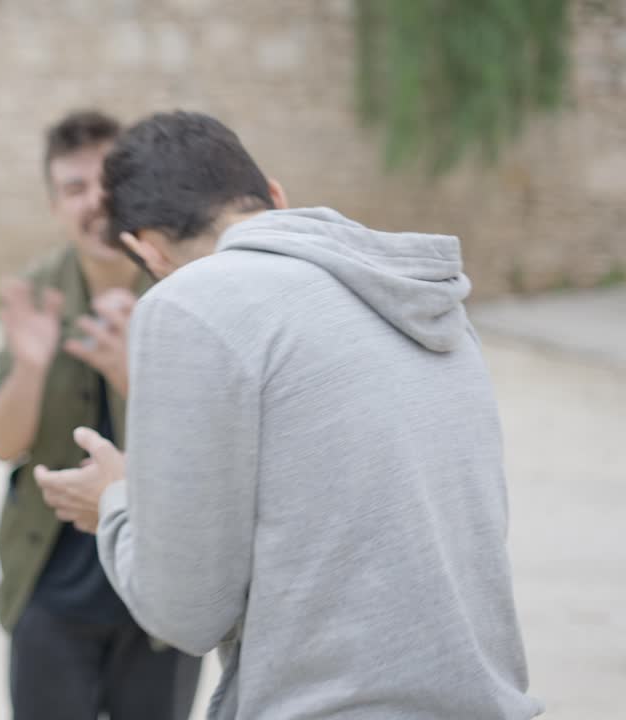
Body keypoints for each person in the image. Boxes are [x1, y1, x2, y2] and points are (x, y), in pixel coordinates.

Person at [35, 111, 543, 718]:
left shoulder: (188, 302)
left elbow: (186, 614)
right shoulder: (428, 300)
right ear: (275, 196)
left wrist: (116, 503)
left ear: (145, 248)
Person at [0, 110, 202, 720]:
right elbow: (2, 444)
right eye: (74, 188)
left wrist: (131, 376)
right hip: (51, 590)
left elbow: (212, 449)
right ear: (54, 204)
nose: (95, 201)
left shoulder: (187, 288)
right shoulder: (36, 291)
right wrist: (29, 369)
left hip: (161, 593)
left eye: (107, 181)